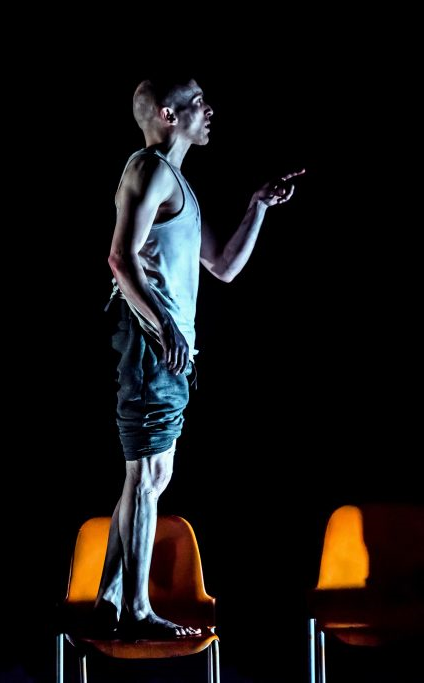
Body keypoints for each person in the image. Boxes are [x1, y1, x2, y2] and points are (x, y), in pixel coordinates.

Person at [95, 76, 303, 637]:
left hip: (168, 346)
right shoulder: (150, 170)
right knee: (150, 473)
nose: (209, 110)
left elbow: (224, 266)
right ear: (168, 114)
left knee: (145, 476)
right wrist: (163, 324)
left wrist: (258, 206)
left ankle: (110, 599)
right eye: (197, 103)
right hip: (151, 343)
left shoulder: (176, 182)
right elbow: (119, 258)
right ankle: (136, 611)